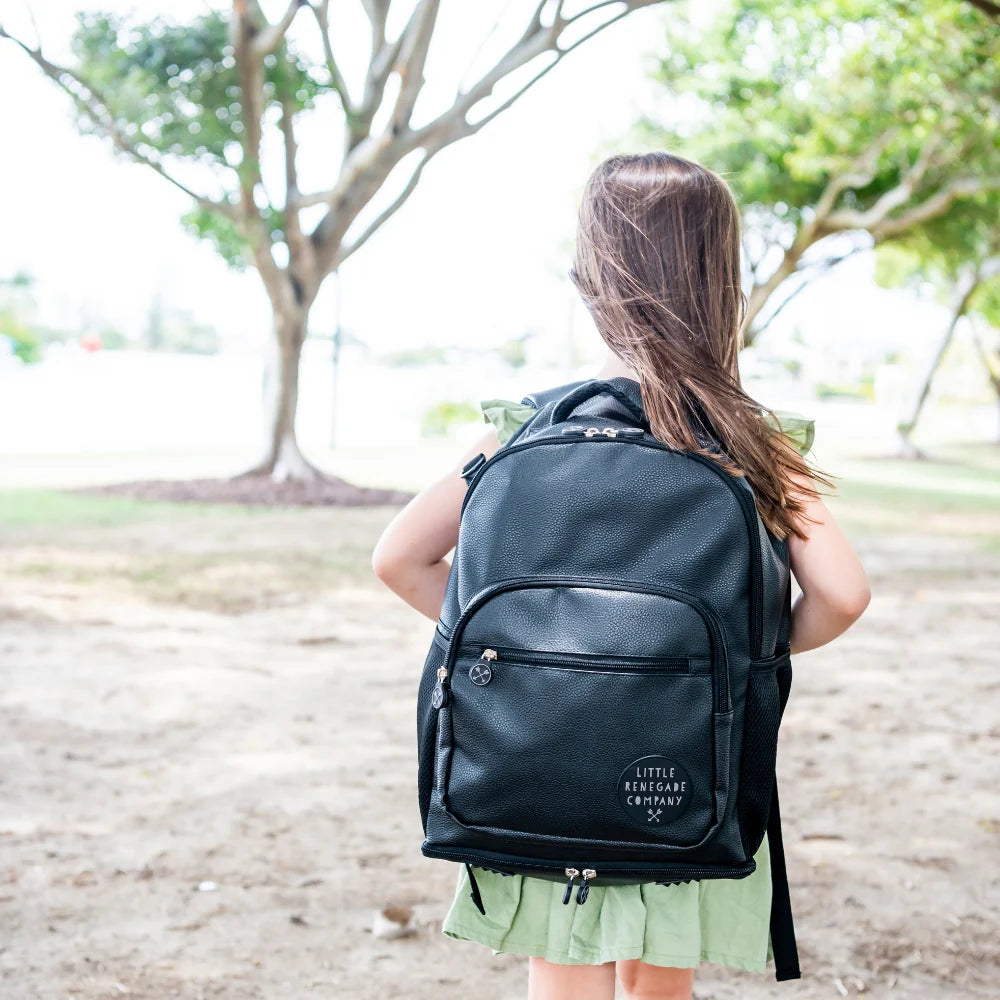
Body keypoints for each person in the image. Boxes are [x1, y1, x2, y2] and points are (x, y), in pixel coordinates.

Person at [371, 151, 871, 1000]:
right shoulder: (751, 443)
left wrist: (525, 651)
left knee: (563, 980)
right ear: (723, 280)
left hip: (538, 764)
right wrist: (754, 648)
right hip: (681, 767)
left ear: (592, 276)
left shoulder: (527, 432)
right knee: (658, 982)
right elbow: (844, 594)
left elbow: (398, 558)